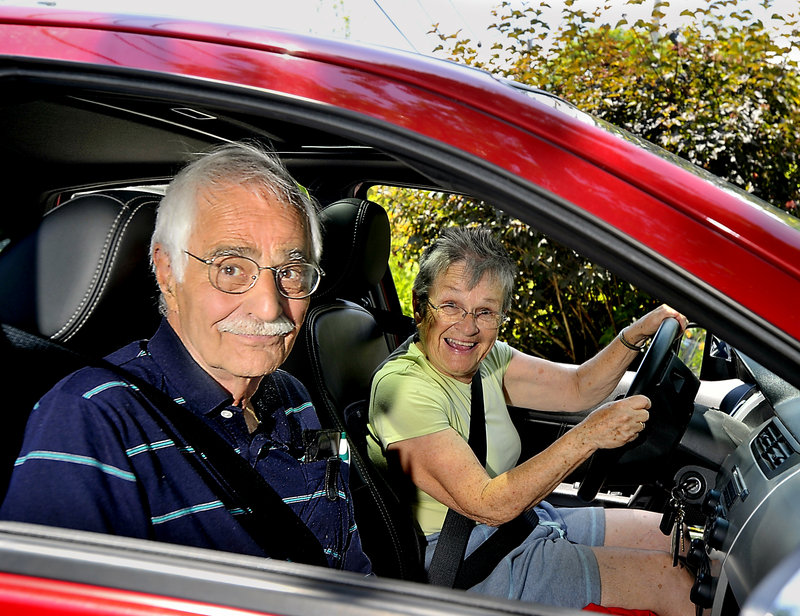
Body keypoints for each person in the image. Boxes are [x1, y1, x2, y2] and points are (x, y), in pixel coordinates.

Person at [1, 142, 371, 574]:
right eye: (231, 268)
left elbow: (348, 564)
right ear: (166, 271)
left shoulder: (295, 397)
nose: (270, 308)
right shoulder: (91, 419)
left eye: (289, 271)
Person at [367, 226, 694, 615]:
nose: (468, 327)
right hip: (470, 564)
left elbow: (578, 387)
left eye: (485, 311)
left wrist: (632, 337)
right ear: (421, 307)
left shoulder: (487, 359)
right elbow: (487, 504)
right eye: (451, 305)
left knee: (677, 541)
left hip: (521, 523)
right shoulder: (402, 390)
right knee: (678, 585)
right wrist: (589, 435)